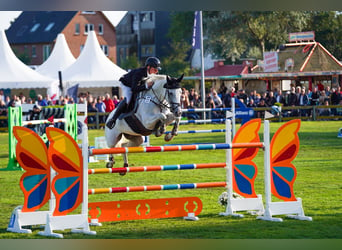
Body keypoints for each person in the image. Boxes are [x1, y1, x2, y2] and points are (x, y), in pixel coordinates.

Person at [106, 56, 161, 129]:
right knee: (128, 99)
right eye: (154, 69)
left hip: (137, 85)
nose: (156, 72)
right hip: (127, 84)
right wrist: (146, 86)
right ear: (148, 67)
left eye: (157, 70)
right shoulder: (139, 73)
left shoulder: (154, 74)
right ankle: (113, 119)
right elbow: (134, 89)